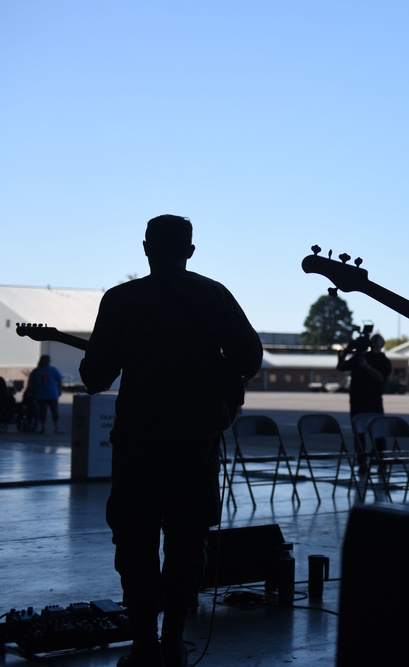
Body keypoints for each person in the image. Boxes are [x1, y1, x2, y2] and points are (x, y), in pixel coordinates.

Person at [79, 214, 263, 667]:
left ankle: (143, 646)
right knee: (187, 541)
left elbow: (95, 378)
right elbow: (250, 356)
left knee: (135, 541)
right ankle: (174, 642)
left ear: (145, 248)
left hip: (139, 442)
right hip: (196, 443)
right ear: (190, 252)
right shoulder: (215, 295)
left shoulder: (122, 300)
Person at [337, 331, 392, 420]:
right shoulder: (360, 357)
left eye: (376, 340)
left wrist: (366, 366)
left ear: (382, 344)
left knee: (375, 426)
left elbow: (380, 378)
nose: (374, 341)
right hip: (357, 400)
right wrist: (346, 352)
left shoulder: (384, 361)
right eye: (373, 339)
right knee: (358, 427)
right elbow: (341, 367)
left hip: (373, 401)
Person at [28, 354, 64, 433]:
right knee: (54, 411)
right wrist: (59, 390)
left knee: (42, 411)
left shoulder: (36, 371)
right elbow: (60, 380)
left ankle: (42, 428)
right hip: (52, 393)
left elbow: (31, 383)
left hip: (40, 394)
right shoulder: (53, 369)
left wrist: (32, 392)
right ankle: (57, 427)